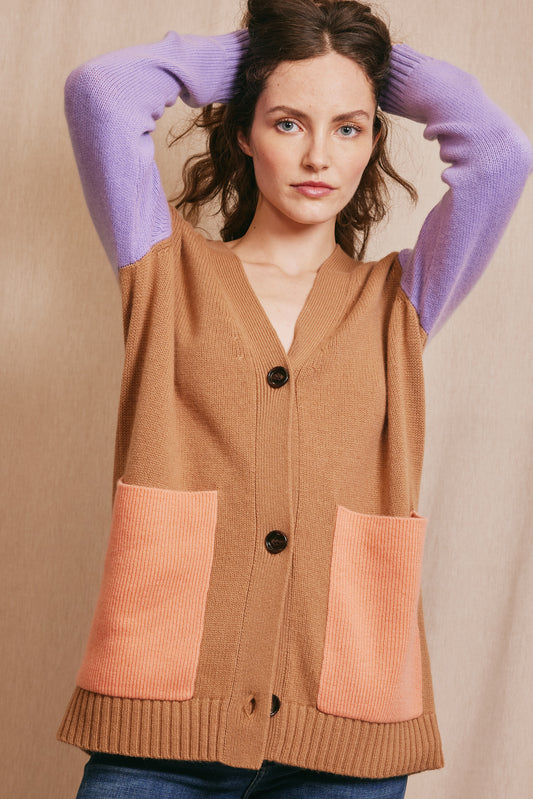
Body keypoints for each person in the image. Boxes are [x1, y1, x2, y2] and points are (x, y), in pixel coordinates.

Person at [57, 0, 532, 797]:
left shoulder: (399, 301)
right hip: (160, 722)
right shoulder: (164, 270)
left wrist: (373, 68)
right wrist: (252, 56)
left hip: (343, 734)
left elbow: (500, 153)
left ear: (373, 141)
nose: (318, 155)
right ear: (244, 131)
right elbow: (102, 91)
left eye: (348, 127)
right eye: (287, 122)